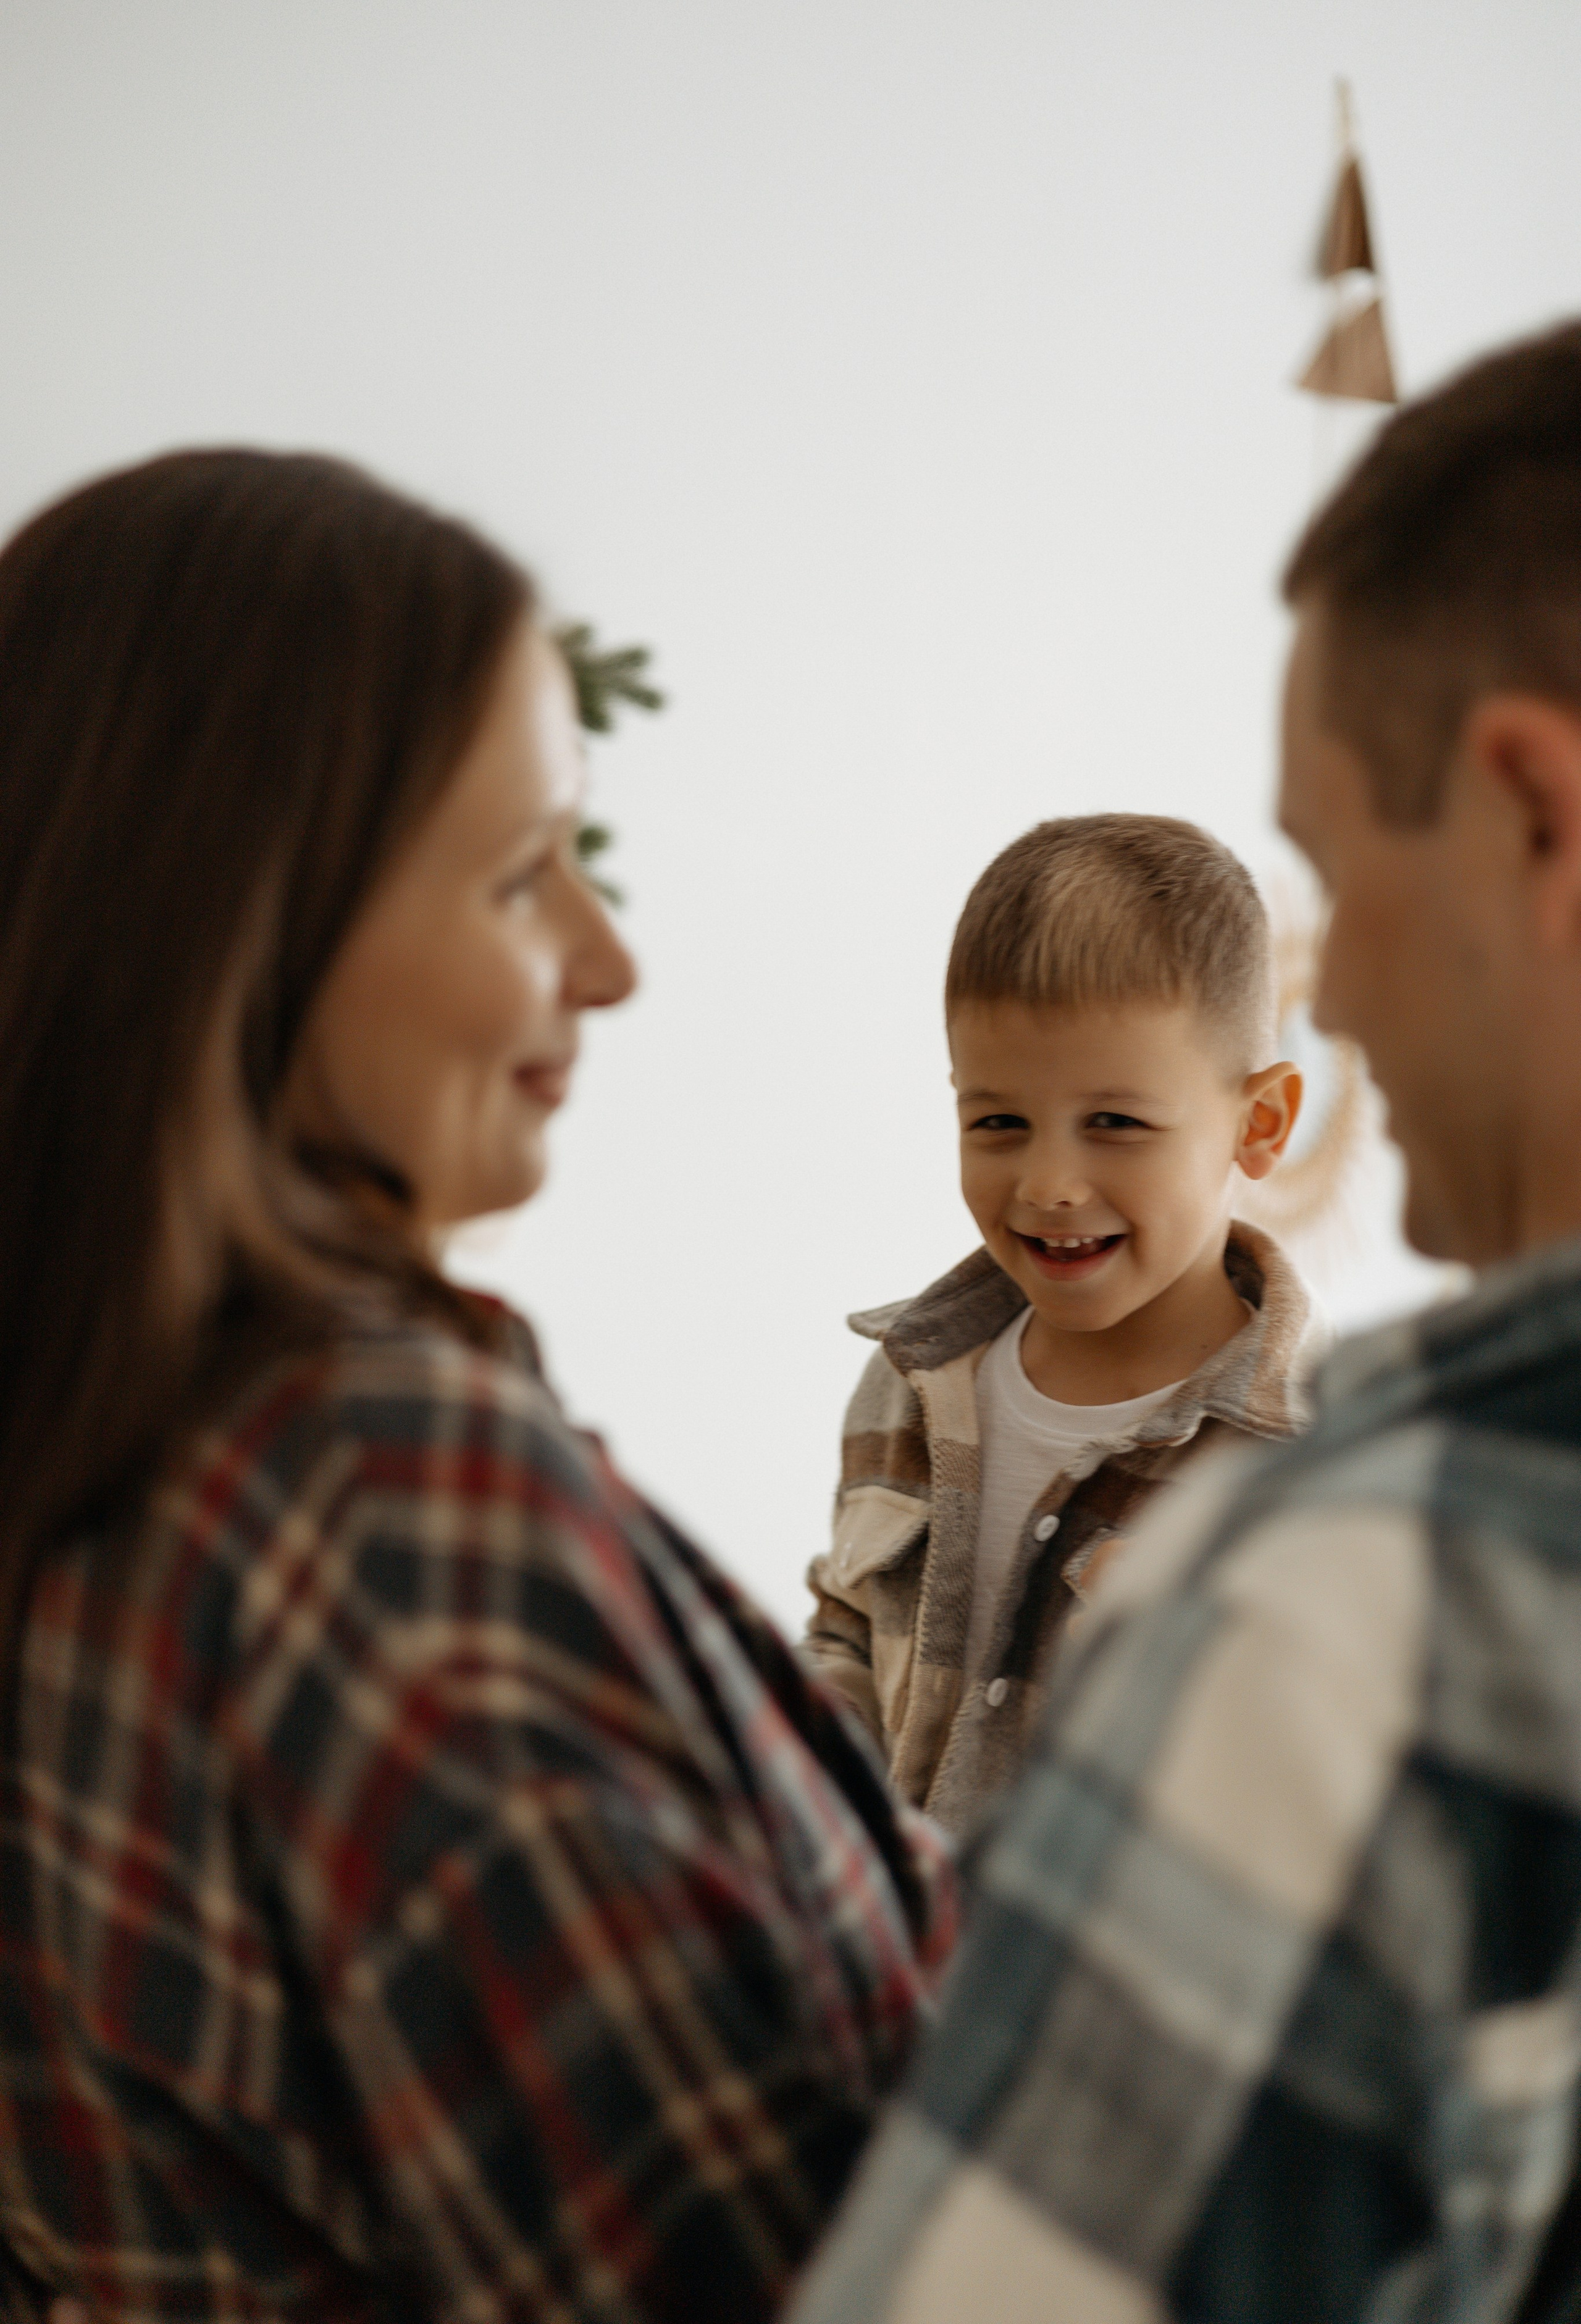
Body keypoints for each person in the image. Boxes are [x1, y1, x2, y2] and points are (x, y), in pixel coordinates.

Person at [0, 449, 954, 2324]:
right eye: (525, 876)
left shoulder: (102, 1448)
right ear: (238, 922)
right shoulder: (371, 1506)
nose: (610, 961)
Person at [789, 320, 1581, 2324]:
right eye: (999, 1120)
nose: (1350, 997)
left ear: (1534, 819)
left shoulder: (1353, 1593)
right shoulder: (923, 1381)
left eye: (1331, 872)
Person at [802, 816, 1319, 1833]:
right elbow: (847, 1638)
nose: (1047, 1185)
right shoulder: (909, 1380)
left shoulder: (1308, 1464)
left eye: (1116, 1124)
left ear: (1258, 1124)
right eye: (997, 1122)